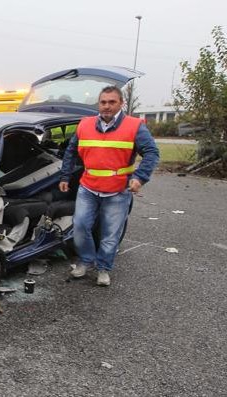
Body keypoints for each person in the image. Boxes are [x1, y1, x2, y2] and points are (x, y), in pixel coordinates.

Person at [59, 86, 159, 287]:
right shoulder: (84, 124)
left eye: (112, 102)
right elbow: (71, 151)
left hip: (118, 190)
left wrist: (139, 178)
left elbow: (152, 153)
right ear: (99, 104)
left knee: (110, 234)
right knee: (79, 227)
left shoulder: (134, 126)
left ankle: (104, 268)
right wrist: (65, 176)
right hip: (88, 187)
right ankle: (86, 261)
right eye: (103, 102)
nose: (107, 106)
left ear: (121, 103)